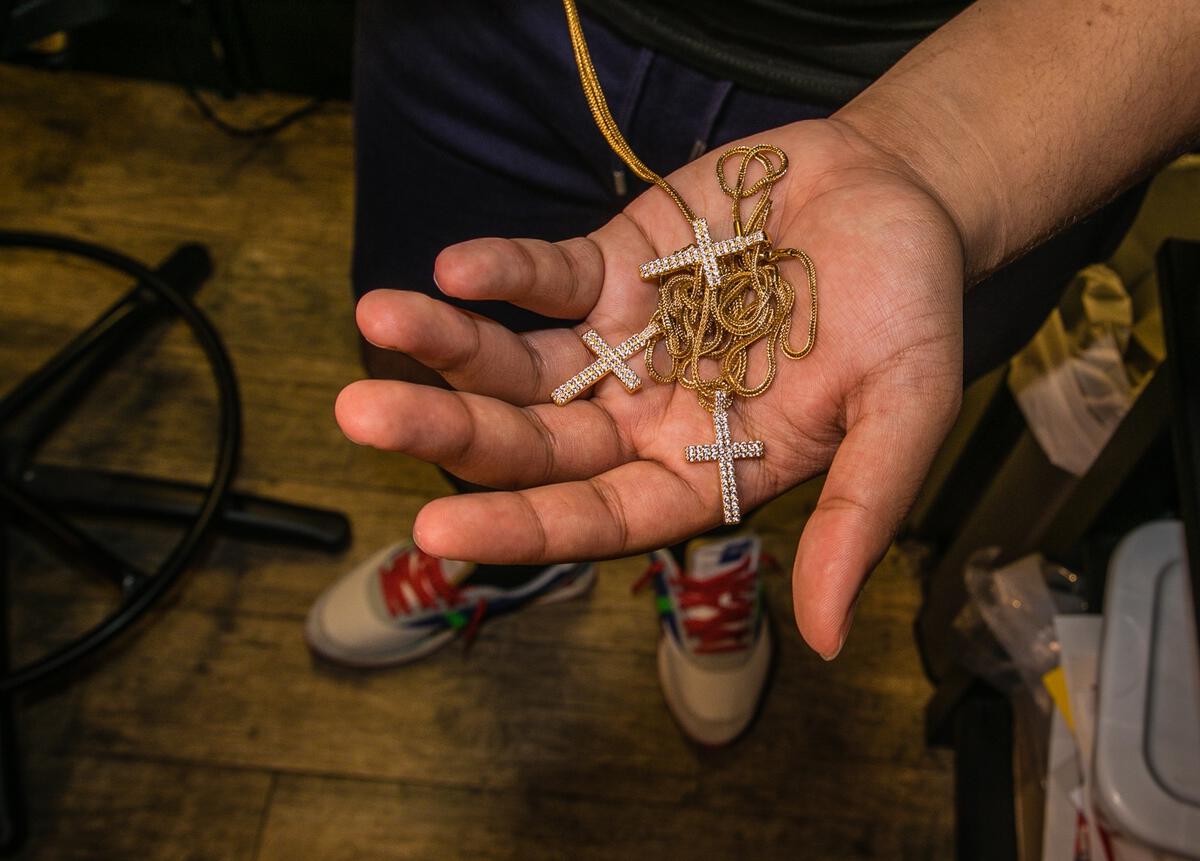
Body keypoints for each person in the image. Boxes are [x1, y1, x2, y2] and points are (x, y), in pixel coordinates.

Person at [306, 0, 1199, 745]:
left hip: (998, 78)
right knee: (440, 360)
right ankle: (508, 558)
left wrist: (926, 159)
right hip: (500, 29)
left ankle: (711, 554)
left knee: (784, 432)